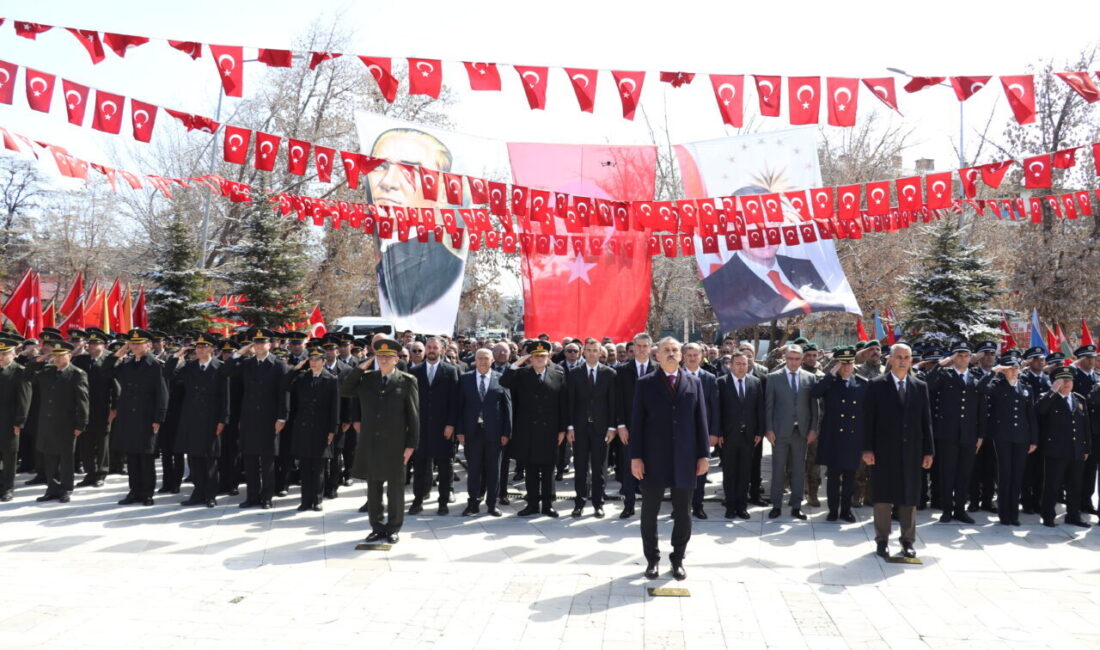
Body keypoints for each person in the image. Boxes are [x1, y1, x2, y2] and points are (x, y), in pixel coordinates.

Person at [630, 337, 710, 581]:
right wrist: (636, 457)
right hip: (653, 458)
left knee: (683, 512)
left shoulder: (694, 382)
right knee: (649, 512)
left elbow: (701, 421)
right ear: (657, 355)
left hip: (685, 457)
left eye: (675, 350)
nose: (671, 353)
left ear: (682, 355)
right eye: (666, 350)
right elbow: (637, 423)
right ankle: (652, 559)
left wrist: (704, 455)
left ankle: (678, 559)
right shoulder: (645, 383)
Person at [344, 338, 419, 545]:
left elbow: (414, 416)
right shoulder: (367, 379)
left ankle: (393, 528)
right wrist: (361, 367)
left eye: (388, 357)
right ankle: (377, 527)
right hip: (372, 443)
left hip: (396, 444)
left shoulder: (407, 381)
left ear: (396, 359)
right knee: (373, 488)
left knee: (395, 489)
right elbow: (345, 390)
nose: (383, 360)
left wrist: (411, 445)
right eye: (380, 357)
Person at [862, 343, 934, 559]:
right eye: (899, 357)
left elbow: (926, 422)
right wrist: (867, 449)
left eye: (906, 357)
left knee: (908, 497)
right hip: (883, 451)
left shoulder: (920, 386)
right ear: (891, 359)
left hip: (911, 451)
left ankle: (907, 541)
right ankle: (882, 540)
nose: (903, 361)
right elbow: (867, 421)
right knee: (883, 497)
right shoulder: (876, 385)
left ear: (911, 360)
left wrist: (928, 451)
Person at [499, 339, 567, 517]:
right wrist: (518, 362)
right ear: (530, 358)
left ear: (548, 357)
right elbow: (504, 382)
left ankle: (548, 504)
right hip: (527, 429)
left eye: (543, 356)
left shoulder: (558, 374)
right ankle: (532, 504)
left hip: (550, 429)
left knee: (548, 469)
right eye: (536, 356)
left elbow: (563, 404)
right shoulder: (522, 374)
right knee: (531, 469)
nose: (539, 359)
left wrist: (562, 429)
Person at [227, 329, 290, 510]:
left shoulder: (278, 365)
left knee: (268, 461)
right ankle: (252, 496)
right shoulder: (247, 363)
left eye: (263, 342)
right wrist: (239, 352)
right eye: (256, 342)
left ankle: (267, 497)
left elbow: (284, 393)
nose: (259, 346)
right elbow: (227, 370)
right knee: (250, 460)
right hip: (249, 418)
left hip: (270, 419)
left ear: (270, 344)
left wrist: (282, 417)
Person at [105, 330, 169, 507]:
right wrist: (118, 354)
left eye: (138, 343)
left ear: (148, 345)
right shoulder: (127, 364)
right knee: (132, 456)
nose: (134, 346)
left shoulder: (155, 365)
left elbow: (162, 394)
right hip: (128, 417)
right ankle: (134, 491)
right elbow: (106, 372)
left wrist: (158, 418)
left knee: (146, 457)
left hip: (146, 416)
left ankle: (147, 493)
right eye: (132, 343)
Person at [924, 342, 984, 524]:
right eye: (959, 355)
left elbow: (981, 409)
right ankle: (947, 510)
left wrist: (980, 435)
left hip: (969, 434)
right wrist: (944, 362)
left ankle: (960, 509)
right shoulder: (945, 375)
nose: (963, 358)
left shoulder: (975, 377)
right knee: (947, 473)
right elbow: (927, 383)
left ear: (970, 358)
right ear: (953, 357)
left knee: (964, 473)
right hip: (947, 433)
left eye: (966, 355)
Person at [170, 335, 229, 508]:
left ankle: (210, 495)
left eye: (204, 347)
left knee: (210, 459)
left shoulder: (220, 367)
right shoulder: (189, 367)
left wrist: (223, 420)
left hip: (211, 418)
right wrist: (177, 356)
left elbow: (225, 397)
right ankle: (197, 493)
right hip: (192, 418)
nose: (200, 350)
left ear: (212, 349)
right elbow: (168, 374)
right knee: (194, 458)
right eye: (198, 347)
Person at [810, 346, 867, 522]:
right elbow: (815, 393)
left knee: (850, 477)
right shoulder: (830, 382)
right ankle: (833, 510)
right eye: (843, 363)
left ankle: (846, 510)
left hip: (853, 437)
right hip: (833, 436)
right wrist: (831, 374)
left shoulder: (862, 383)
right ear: (837, 364)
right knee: (833, 477)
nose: (847, 367)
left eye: (850, 363)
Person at [980, 353, 1038, 526]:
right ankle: (1004, 513)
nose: (1014, 371)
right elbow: (981, 388)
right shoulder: (997, 386)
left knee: (1017, 475)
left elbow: (1031, 415)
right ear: (1004, 371)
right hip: (1003, 437)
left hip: (1022, 437)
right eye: (1010, 369)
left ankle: (1014, 514)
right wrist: (995, 371)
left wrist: (1034, 439)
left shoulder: (1025, 387)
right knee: (1005, 475)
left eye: (1016, 368)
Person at [764, 344, 819, 520]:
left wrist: (813, 429)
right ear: (785, 358)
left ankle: (796, 506)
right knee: (778, 468)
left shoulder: (810, 378)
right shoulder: (774, 377)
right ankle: (776, 505)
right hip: (780, 431)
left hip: (801, 432)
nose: (793, 362)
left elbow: (814, 407)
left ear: (802, 359)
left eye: (797, 359)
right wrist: (769, 429)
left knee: (799, 469)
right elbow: (769, 406)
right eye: (790, 358)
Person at [454, 348, 512, 516]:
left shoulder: (501, 379)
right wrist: (460, 430)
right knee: (473, 470)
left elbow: (507, 407)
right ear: (475, 360)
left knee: (494, 470)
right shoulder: (465, 379)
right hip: (472, 432)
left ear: (492, 360)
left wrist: (506, 432)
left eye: (486, 358)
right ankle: (473, 504)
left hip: (495, 433)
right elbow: (459, 407)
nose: (483, 361)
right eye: (479, 358)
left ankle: (492, 504)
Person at [32, 341, 90, 504]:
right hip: (47, 422)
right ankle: (52, 488)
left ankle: (65, 488)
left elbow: (83, 401)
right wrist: (40, 359)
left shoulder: (77, 374)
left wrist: (81, 424)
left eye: (61, 355)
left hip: (66, 423)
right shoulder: (47, 372)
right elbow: (28, 376)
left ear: (69, 356)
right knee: (49, 456)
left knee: (65, 458)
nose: (57, 358)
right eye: (55, 355)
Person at [566, 338, 618, 518]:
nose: (591, 353)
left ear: (600, 352)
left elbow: (613, 403)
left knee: (599, 468)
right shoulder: (574, 373)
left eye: (595, 350)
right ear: (583, 352)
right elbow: (570, 402)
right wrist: (570, 427)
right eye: (588, 350)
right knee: (580, 467)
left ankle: (598, 503)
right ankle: (579, 503)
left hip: (601, 428)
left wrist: (612, 427)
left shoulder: (609, 373)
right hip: (579, 428)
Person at [409, 336, 460, 515]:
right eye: (429, 347)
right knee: (420, 466)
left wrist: (451, 424)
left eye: (435, 347)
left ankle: (443, 502)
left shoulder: (451, 371)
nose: (431, 350)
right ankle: (417, 500)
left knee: (445, 466)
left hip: (443, 427)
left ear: (442, 350)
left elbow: (455, 401)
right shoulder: (414, 371)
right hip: (421, 427)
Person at [1037, 367, 1090, 528]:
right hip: (1056, 450)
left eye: (1070, 380)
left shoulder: (1079, 399)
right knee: (1052, 485)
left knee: (1075, 485)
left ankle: (1073, 516)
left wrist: (1086, 448)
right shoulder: (1048, 398)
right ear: (1056, 382)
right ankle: (1048, 516)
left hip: (1076, 450)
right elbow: (1039, 410)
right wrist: (1052, 391)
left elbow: (1085, 426)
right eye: (1063, 380)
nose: (1067, 383)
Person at [287, 347, 339, 512]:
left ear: (324, 361)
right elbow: (286, 385)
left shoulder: (331, 379)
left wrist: (332, 430)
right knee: (304, 467)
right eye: (311, 359)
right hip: (303, 428)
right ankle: (305, 501)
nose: (314, 363)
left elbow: (335, 408)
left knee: (318, 468)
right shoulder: (302, 377)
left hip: (321, 429)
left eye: (317, 359)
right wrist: (296, 369)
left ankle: (317, 500)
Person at [715, 351, 764, 519]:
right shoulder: (721, 382)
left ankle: (742, 506)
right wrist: (718, 432)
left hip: (749, 436)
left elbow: (760, 408)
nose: (742, 367)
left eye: (744, 364)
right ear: (731, 365)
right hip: (728, 436)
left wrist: (760, 431)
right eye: (738, 364)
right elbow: (717, 410)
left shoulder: (755, 382)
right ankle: (730, 506)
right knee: (729, 472)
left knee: (745, 473)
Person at [614, 332, 655, 518]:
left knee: (651, 468)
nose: (642, 349)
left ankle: (649, 506)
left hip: (652, 428)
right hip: (629, 427)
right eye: (638, 346)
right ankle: (628, 505)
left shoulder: (658, 369)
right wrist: (621, 425)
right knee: (629, 466)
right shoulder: (622, 370)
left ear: (650, 348)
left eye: (645, 346)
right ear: (633, 347)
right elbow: (618, 400)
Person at [71, 328, 116, 488]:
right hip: (84, 408)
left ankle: (101, 473)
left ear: (103, 345)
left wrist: (114, 408)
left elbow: (116, 386)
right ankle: (90, 473)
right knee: (86, 441)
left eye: (95, 343)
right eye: (90, 343)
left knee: (102, 441)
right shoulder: (81, 360)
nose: (91, 345)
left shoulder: (109, 360)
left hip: (103, 407)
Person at [681, 342, 719, 519]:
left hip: (702, 433)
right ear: (683, 356)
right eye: (689, 355)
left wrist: (714, 432)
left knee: (701, 470)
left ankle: (697, 506)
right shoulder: (676, 376)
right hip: (680, 434)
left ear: (701, 356)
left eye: (695, 355)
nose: (692, 358)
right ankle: (680, 507)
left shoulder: (709, 378)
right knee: (680, 470)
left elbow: (715, 407)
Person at [0, 334, 31, 501]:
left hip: (9, 422)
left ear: (13, 354)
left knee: (9, 455)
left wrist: (19, 422)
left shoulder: (20, 372)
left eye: (4, 353)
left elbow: (24, 399)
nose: (1, 357)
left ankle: (8, 487)